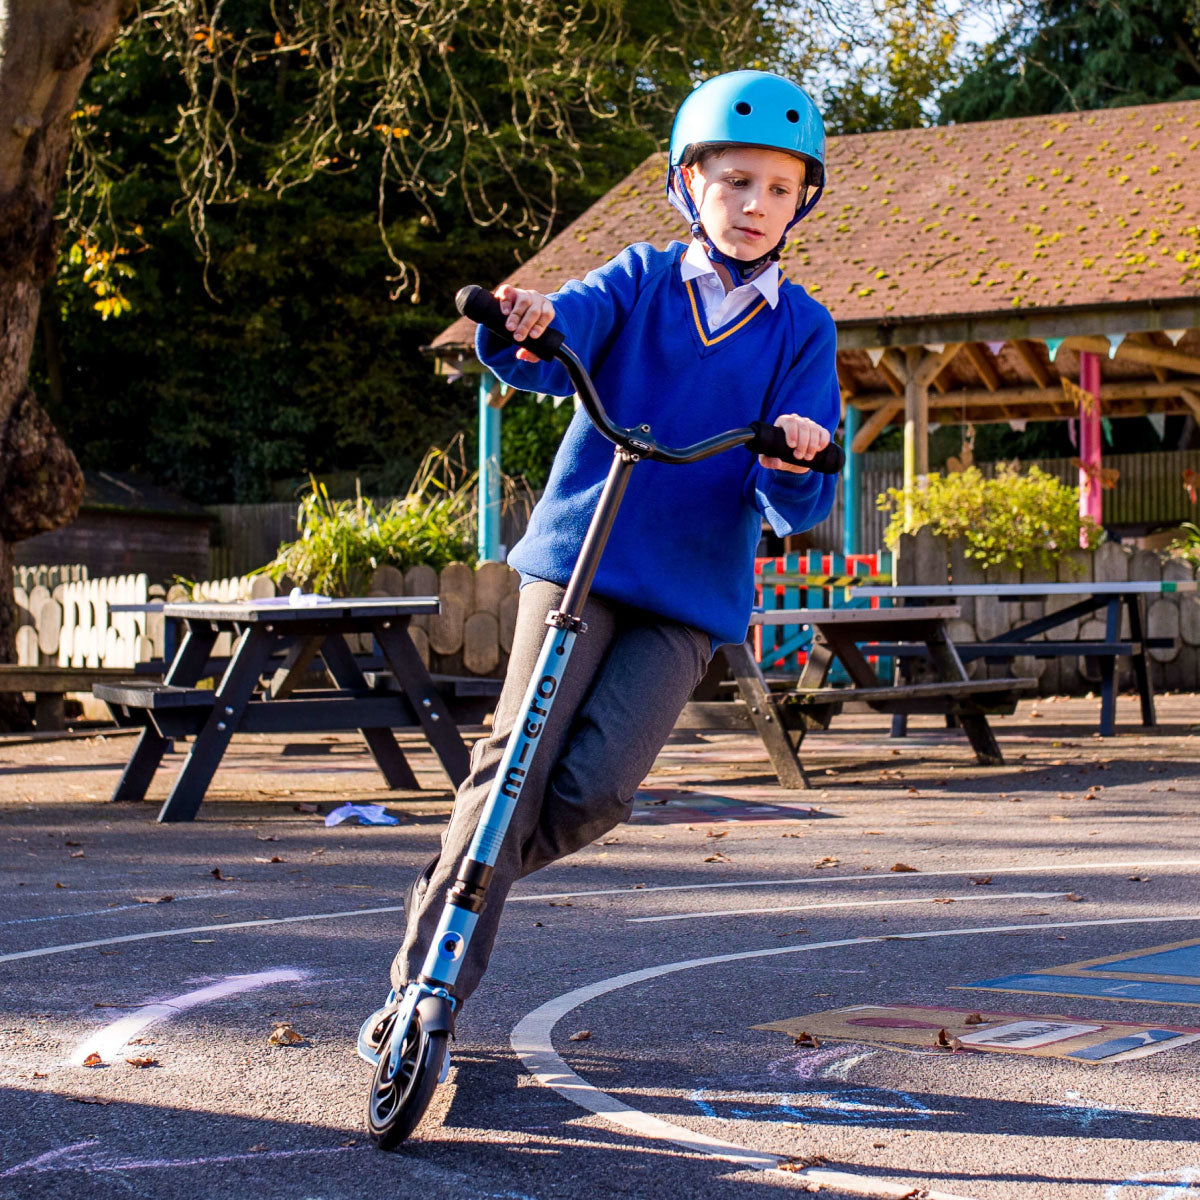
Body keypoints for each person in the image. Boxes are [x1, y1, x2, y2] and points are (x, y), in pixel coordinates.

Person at [380, 69, 841, 1050]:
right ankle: (424, 994)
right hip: (578, 566)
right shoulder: (639, 278)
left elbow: (804, 491)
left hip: (687, 596)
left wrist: (802, 447)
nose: (755, 205)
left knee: (591, 791)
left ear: (803, 201)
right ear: (689, 184)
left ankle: (473, 864)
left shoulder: (802, 329)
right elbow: (560, 332)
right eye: (735, 182)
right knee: (511, 768)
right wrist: (533, 320)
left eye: (778, 188)